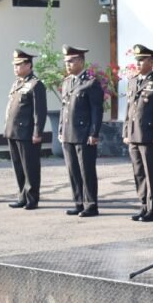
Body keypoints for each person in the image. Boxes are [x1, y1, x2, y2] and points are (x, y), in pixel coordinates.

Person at [123, 44, 153, 222]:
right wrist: (125, 131)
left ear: (151, 61)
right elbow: (129, 109)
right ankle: (143, 206)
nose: (138, 63)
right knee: (139, 173)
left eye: (142, 59)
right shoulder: (133, 81)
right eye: (137, 60)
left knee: (152, 174)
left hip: (149, 135)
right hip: (134, 135)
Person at [59, 45, 104, 218]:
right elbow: (64, 109)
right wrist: (61, 129)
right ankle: (78, 202)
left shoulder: (91, 83)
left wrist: (94, 133)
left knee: (87, 171)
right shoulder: (67, 82)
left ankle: (91, 205)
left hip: (84, 134)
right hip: (69, 133)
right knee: (73, 171)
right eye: (66, 62)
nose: (67, 65)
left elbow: (96, 110)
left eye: (71, 61)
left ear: (80, 61)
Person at [4, 49, 47, 210]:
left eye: (18, 65)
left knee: (30, 167)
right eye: (14, 65)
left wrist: (37, 132)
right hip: (13, 132)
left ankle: (32, 198)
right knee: (18, 167)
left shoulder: (36, 84)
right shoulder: (17, 83)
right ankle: (22, 196)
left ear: (28, 65)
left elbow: (39, 111)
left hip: (28, 133)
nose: (15, 68)